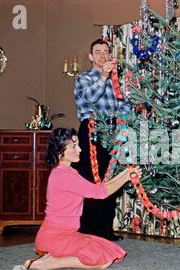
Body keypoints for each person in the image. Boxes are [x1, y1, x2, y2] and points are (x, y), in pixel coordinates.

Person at [24, 128, 142, 270]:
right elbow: (100, 193)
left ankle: (51, 257)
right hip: (54, 237)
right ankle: (49, 263)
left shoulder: (67, 171)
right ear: (60, 151)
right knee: (101, 261)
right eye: (74, 146)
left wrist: (126, 175)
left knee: (110, 250)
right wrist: (125, 176)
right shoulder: (64, 176)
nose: (80, 149)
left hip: (65, 234)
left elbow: (98, 188)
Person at [73, 38, 132, 241]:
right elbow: (89, 99)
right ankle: (88, 230)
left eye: (106, 51)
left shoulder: (116, 81)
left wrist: (126, 119)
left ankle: (105, 230)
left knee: (111, 179)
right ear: (91, 57)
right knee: (91, 180)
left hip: (113, 133)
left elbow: (124, 105)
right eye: (97, 52)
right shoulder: (83, 78)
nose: (102, 55)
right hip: (91, 131)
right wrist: (103, 77)